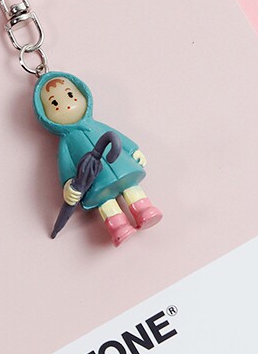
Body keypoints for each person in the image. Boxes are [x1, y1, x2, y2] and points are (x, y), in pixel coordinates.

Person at [33, 71, 163, 246]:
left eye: (70, 95)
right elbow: (66, 166)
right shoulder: (66, 142)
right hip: (96, 182)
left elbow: (117, 136)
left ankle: (144, 210)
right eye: (54, 103)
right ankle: (118, 227)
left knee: (132, 188)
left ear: (83, 94)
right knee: (106, 202)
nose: (66, 105)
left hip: (121, 166)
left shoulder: (96, 125)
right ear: (45, 114)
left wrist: (133, 150)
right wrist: (69, 187)